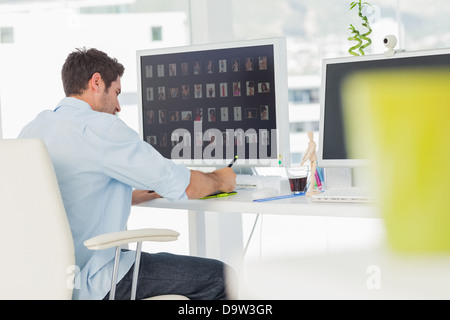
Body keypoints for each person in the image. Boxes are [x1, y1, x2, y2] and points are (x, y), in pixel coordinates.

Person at [17, 47, 237, 300]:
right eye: (117, 93)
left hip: (51, 281)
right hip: (96, 278)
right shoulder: (102, 129)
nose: (118, 106)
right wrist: (223, 179)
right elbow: (187, 187)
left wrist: (128, 196)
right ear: (97, 82)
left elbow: (59, 194)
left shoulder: (33, 128)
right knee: (221, 277)